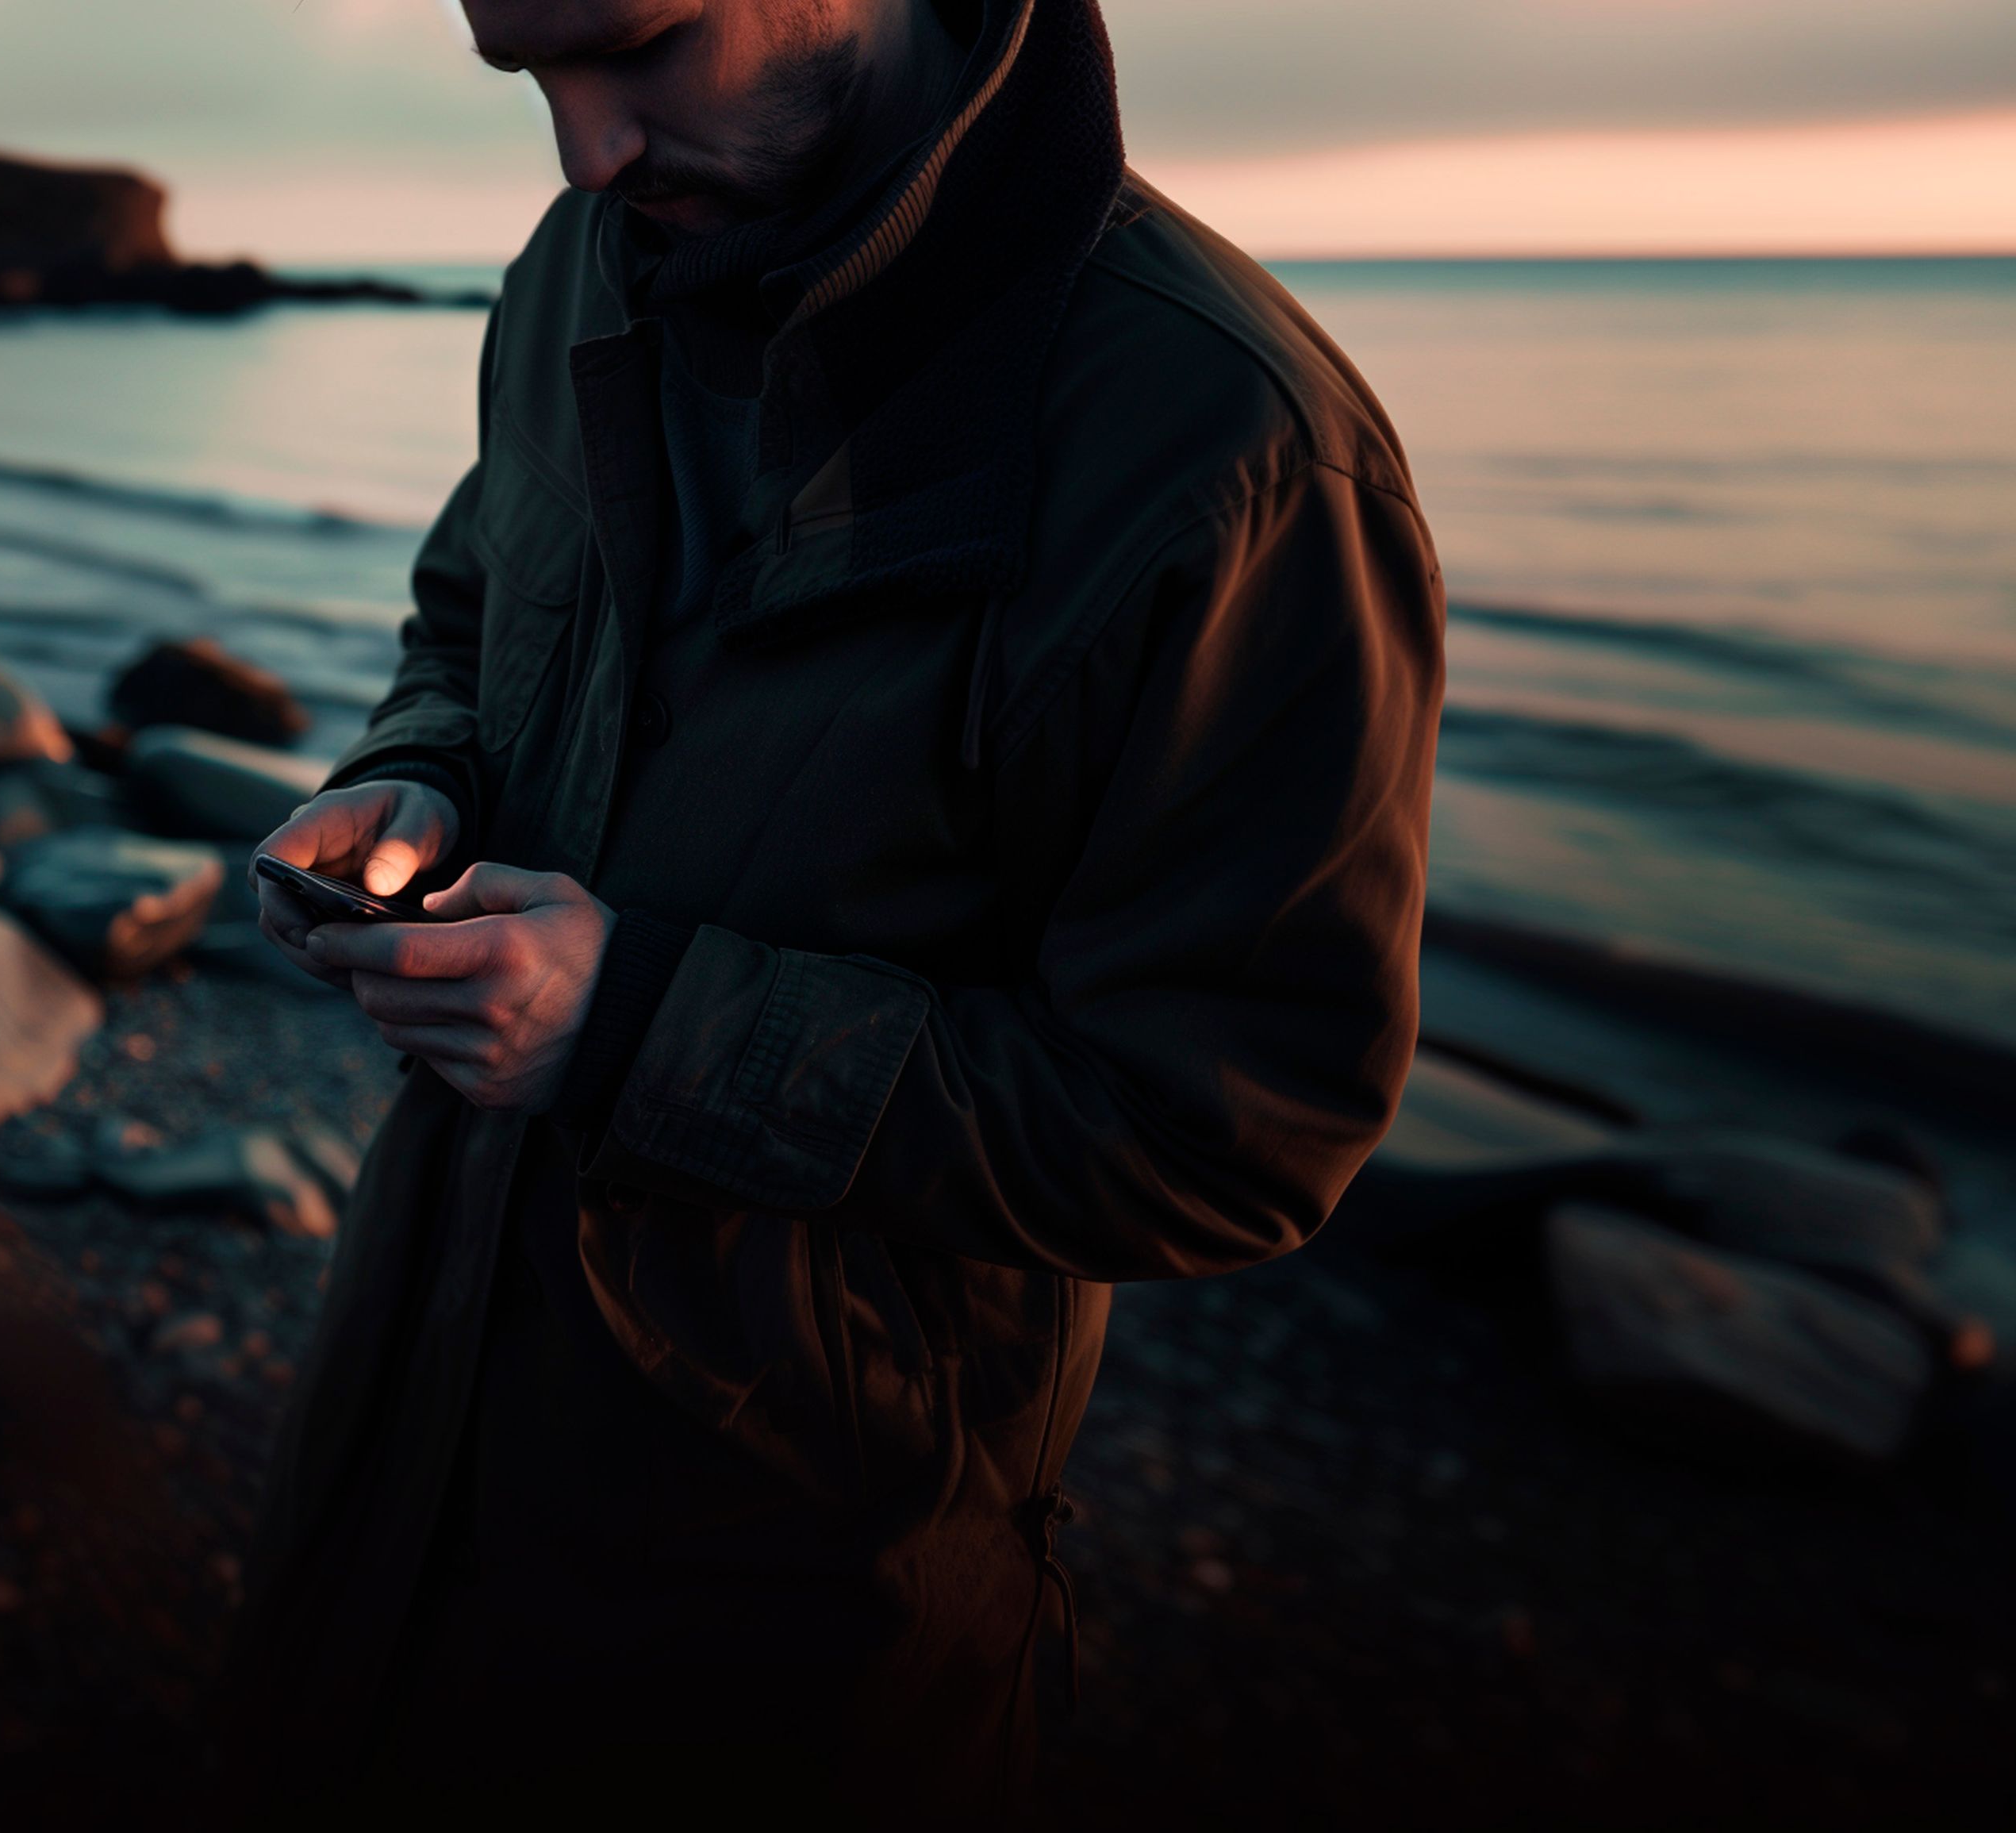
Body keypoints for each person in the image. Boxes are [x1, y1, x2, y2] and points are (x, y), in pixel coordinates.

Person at [229, 0, 1444, 1816]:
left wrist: (634, 1026)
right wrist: (418, 778)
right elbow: (470, 622)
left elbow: (1230, 1135)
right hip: (391, 1446)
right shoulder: (578, 270)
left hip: (791, 1619)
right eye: (531, 76)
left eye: (639, 47)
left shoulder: (1231, 445)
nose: (585, 152)